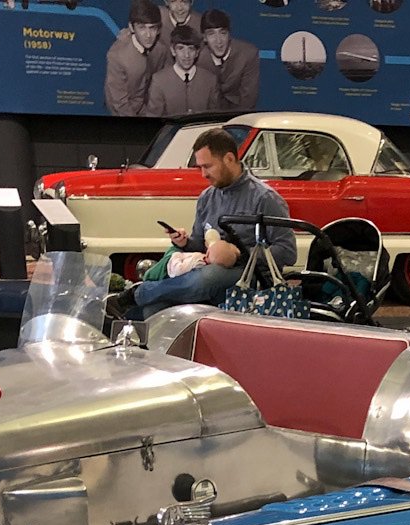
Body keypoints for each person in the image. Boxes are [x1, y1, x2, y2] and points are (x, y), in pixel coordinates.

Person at [114, 127, 295, 318]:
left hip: (250, 276)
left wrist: (238, 254)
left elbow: (288, 251)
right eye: (200, 167)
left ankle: (137, 294)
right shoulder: (207, 197)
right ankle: (130, 315)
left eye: (207, 166)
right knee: (154, 309)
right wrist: (184, 242)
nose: (203, 174)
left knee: (208, 277)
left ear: (229, 159)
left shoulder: (265, 198)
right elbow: (199, 244)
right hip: (207, 270)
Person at [104, 1, 165, 118]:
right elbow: (119, 103)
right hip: (123, 110)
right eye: (142, 28)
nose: (148, 35)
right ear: (132, 28)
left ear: (158, 29)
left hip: (145, 107)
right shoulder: (117, 56)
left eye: (152, 28)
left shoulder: (160, 50)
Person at [147, 24, 223, 113]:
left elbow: (214, 115)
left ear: (197, 52)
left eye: (191, 49)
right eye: (181, 48)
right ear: (173, 50)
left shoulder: (210, 80)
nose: (186, 55)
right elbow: (154, 117)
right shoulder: (159, 80)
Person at [201, 9, 259, 111]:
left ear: (229, 35)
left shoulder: (248, 54)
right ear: (204, 38)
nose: (218, 41)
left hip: (239, 111)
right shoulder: (197, 58)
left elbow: (248, 99)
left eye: (223, 33)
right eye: (211, 34)